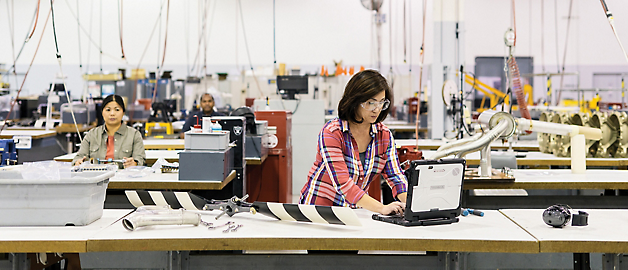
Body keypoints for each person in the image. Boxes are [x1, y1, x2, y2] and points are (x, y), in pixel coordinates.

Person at [300, 70, 408, 215]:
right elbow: (344, 184)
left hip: (353, 212)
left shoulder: (384, 136)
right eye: (371, 102)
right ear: (355, 100)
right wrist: (382, 208)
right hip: (319, 211)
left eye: (382, 102)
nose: (377, 109)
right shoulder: (332, 133)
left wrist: (413, 205)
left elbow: (396, 177)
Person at [73, 94, 146, 167]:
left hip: (123, 177)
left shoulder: (134, 135)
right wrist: (78, 162)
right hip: (96, 176)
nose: (112, 113)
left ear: (123, 113)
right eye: (108, 110)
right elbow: (79, 157)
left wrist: (134, 163)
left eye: (117, 110)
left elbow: (140, 159)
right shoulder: (92, 135)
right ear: (102, 112)